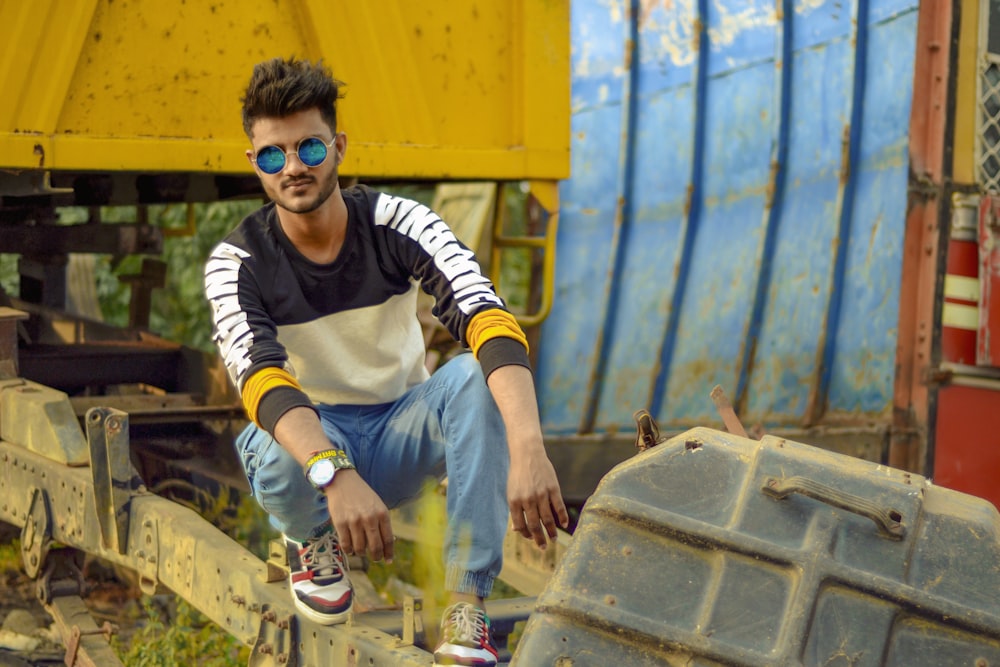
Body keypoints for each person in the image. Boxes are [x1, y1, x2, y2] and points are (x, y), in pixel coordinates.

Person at [203, 56, 568, 667]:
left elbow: (485, 314)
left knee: (476, 377)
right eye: (273, 155)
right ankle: (311, 539)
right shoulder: (237, 262)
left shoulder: (396, 222)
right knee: (270, 446)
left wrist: (528, 447)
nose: (293, 168)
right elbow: (259, 376)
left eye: (310, 148)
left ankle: (467, 608)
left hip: (403, 430)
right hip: (313, 446)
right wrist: (334, 473)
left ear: (338, 146)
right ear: (255, 164)